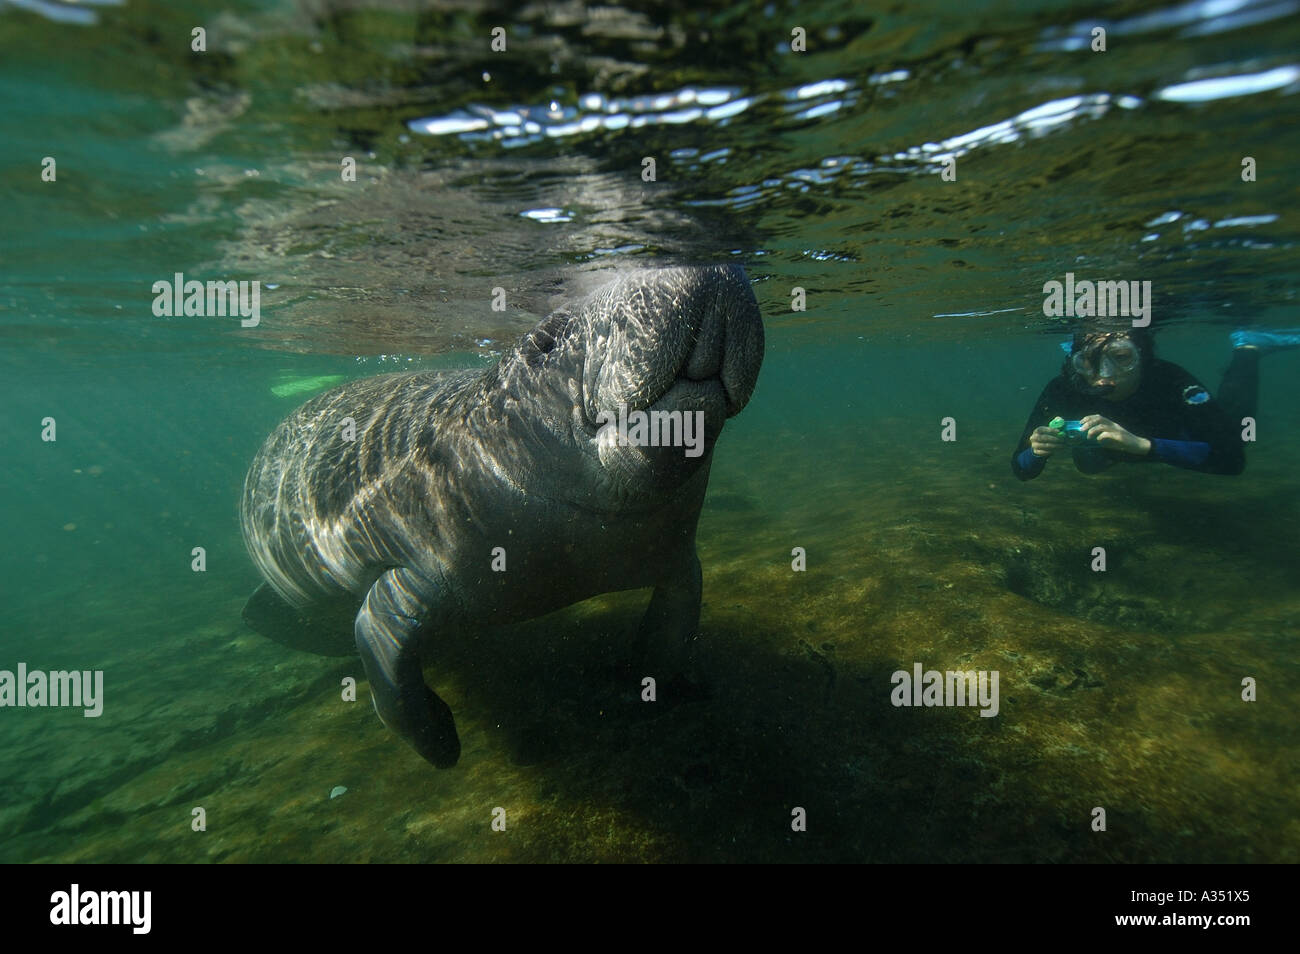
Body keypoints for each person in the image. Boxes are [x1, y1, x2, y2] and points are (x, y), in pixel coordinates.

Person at [1011, 325, 1300, 481]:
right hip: (1106, 454)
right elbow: (1021, 468)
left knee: (1235, 430)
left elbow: (1232, 460)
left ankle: (1247, 347)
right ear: (1076, 362)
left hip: (1167, 433)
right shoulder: (1064, 388)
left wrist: (1142, 446)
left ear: (1143, 356)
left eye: (1121, 358)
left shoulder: (1167, 379)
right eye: (1089, 361)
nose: (1104, 377)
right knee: (1088, 465)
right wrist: (1036, 452)